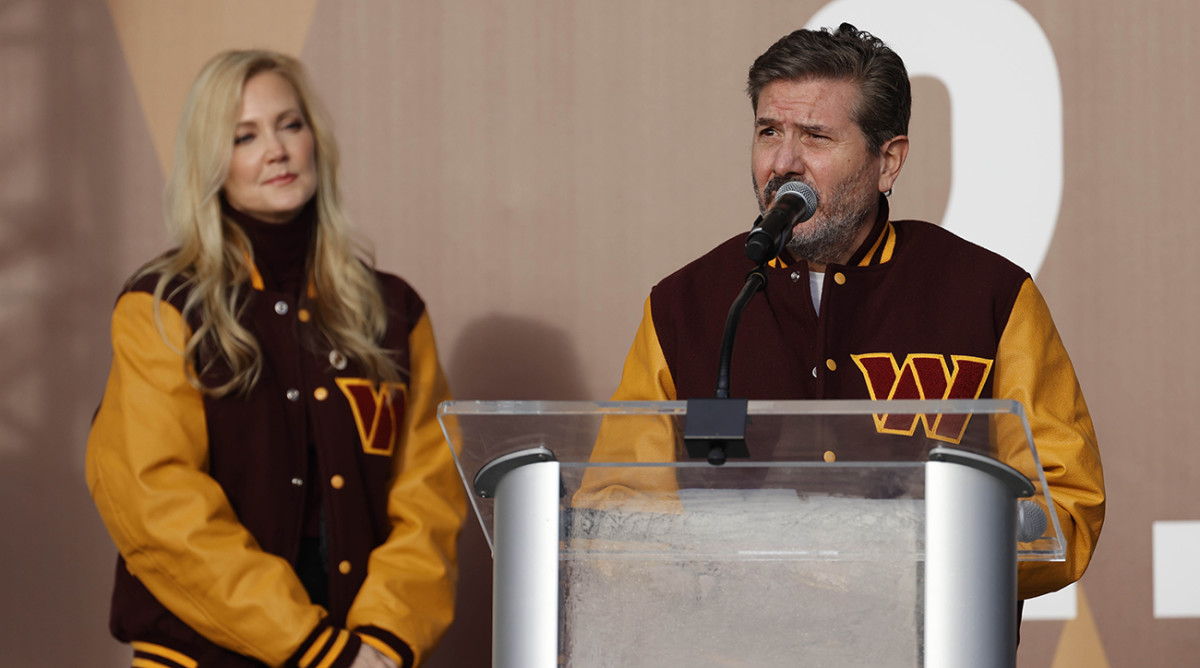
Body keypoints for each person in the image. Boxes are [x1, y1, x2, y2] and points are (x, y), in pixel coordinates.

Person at [602, 24, 1104, 603]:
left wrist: (893, 559)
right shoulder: (685, 305)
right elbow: (616, 509)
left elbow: (1066, 511)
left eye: (816, 136)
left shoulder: (989, 295)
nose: (783, 163)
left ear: (887, 162)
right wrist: (724, 565)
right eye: (769, 132)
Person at [85, 50, 465, 668]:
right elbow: (155, 501)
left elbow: (429, 500)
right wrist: (312, 648)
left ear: (315, 138)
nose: (277, 150)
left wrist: (382, 643)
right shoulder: (160, 307)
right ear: (212, 162)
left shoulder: (394, 312)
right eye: (244, 136)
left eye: (290, 124)